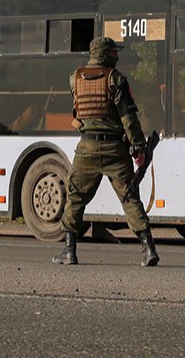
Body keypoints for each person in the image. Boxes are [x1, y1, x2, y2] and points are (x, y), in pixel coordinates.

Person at [52, 36, 159, 267]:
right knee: (130, 197)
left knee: (76, 197)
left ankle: (69, 251)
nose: (117, 56)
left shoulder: (75, 79)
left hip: (87, 149)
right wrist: (139, 148)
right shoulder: (116, 80)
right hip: (115, 149)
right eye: (114, 53)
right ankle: (148, 248)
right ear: (105, 54)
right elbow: (128, 118)